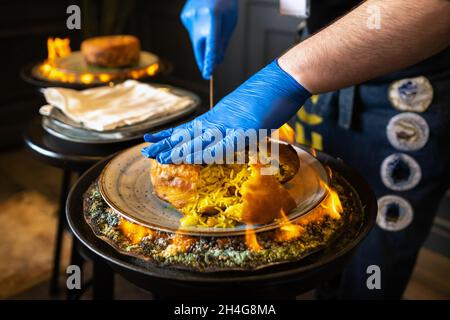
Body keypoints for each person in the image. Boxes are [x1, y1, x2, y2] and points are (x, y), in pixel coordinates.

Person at [142, 0, 450, 299]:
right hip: (316, 74)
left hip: (406, 92)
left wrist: (285, 78)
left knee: (372, 259)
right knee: (320, 235)